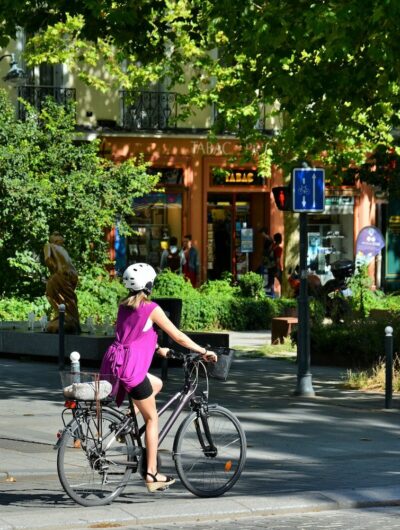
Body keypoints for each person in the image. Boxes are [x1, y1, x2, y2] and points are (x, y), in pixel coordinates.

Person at [100, 263, 217, 493]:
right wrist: (204, 352)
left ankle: (128, 422)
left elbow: (132, 334)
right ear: (149, 285)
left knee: (157, 383)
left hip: (117, 364)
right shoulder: (151, 308)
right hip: (132, 370)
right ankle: (152, 474)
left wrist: (157, 349)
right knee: (153, 419)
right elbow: (179, 336)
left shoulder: (124, 306)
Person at [43, 232, 81, 333]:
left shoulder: (51, 246)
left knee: (51, 294)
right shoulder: (57, 248)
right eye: (58, 236)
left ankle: (65, 318)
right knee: (68, 298)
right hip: (70, 275)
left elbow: (47, 259)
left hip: (62, 275)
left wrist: (54, 270)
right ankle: (69, 319)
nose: (61, 237)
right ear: (54, 240)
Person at [259, 227, 276, 296]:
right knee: (269, 273)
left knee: (270, 273)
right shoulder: (268, 239)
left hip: (268, 259)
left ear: (264, 233)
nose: (261, 235)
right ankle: (270, 288)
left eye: (262, 234)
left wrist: (265, 254)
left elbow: (270, 249)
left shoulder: (269, 239)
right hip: (267, 259)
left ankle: (271, 289)